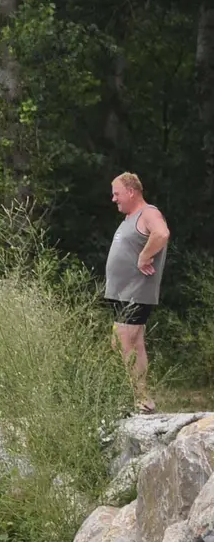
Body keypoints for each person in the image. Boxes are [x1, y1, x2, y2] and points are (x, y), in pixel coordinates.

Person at [105, 172, 170, 414]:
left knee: (127, 342)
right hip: (122, 293)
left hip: (137, 292)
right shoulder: (129, 218)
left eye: (117, 193)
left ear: (131, 191)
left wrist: (145, 255)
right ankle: (137, 397)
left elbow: (161, 234)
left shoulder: (148, 213)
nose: (114, 199)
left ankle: (142, 399)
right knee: (124, 342)